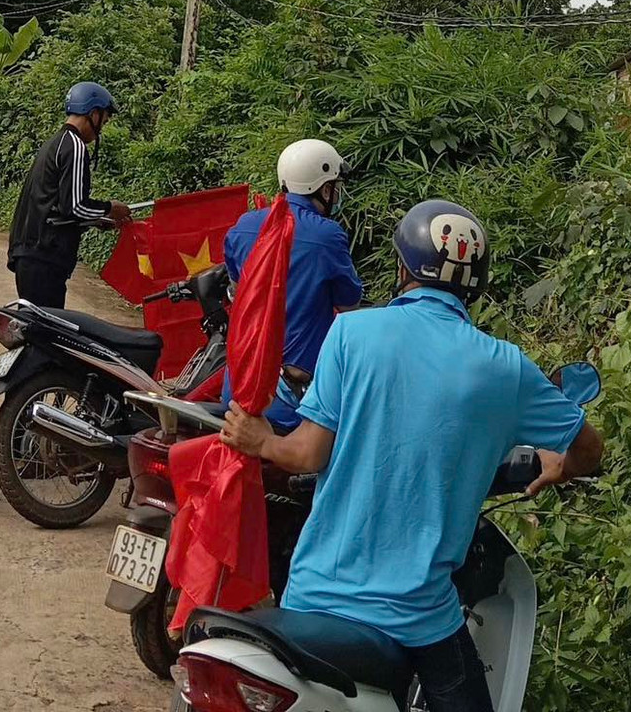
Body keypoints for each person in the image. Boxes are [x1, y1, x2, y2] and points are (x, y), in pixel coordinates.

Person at [220, 199, 605, 712]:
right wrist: (563, 464)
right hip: (416, 615)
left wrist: (261, 440)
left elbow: (307, 455)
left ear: (402, 267)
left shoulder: (351, 334)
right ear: (476, 284)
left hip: (313, 597)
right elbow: (589, 447)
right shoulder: (503, 367)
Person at [220, 139, 363, 428]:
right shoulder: (328, 236)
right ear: (324, 188)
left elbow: (236, 289)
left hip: (235, 388)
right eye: (335, 187)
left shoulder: (245, 225)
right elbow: (350, 306)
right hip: (292, 402)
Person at [7, 81, 131, 308]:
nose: (101, 128)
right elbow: (75, 207)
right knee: (46, 336)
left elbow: (56, 205)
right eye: (103, 121)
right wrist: (110, 208)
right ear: (93, 114)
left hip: (30, 252)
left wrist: (98, 220)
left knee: (34, 332)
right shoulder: (75, 146)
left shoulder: (54, 143)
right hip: (45, 257)